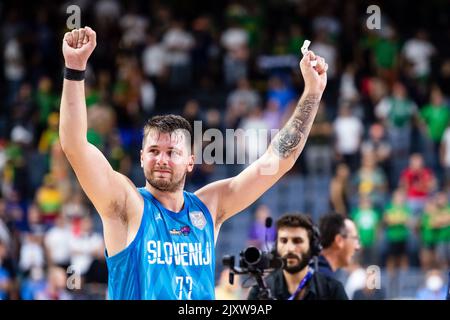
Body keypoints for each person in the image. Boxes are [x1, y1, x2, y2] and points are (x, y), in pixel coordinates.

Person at [60, 27, 328, 300]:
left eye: (172, 152)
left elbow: (280, 159)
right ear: (141, 157)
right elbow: (74, 145)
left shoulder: (209, 206)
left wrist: (313, 92)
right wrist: (75, 69)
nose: (162, 159)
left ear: (190, 162)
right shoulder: (126, 204)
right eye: (153, 150)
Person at [247, 214, 348, 300]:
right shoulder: (259, 293)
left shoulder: (333, 291)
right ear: (275, 248)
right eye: (284, 241)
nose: (290, 248)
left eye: (297, 241)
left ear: (312, 246)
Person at [318, 212, 361, 279]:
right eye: (354, 239)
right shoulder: (322, 280)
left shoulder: (315, 272)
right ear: (339, 240)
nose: (357, 247)